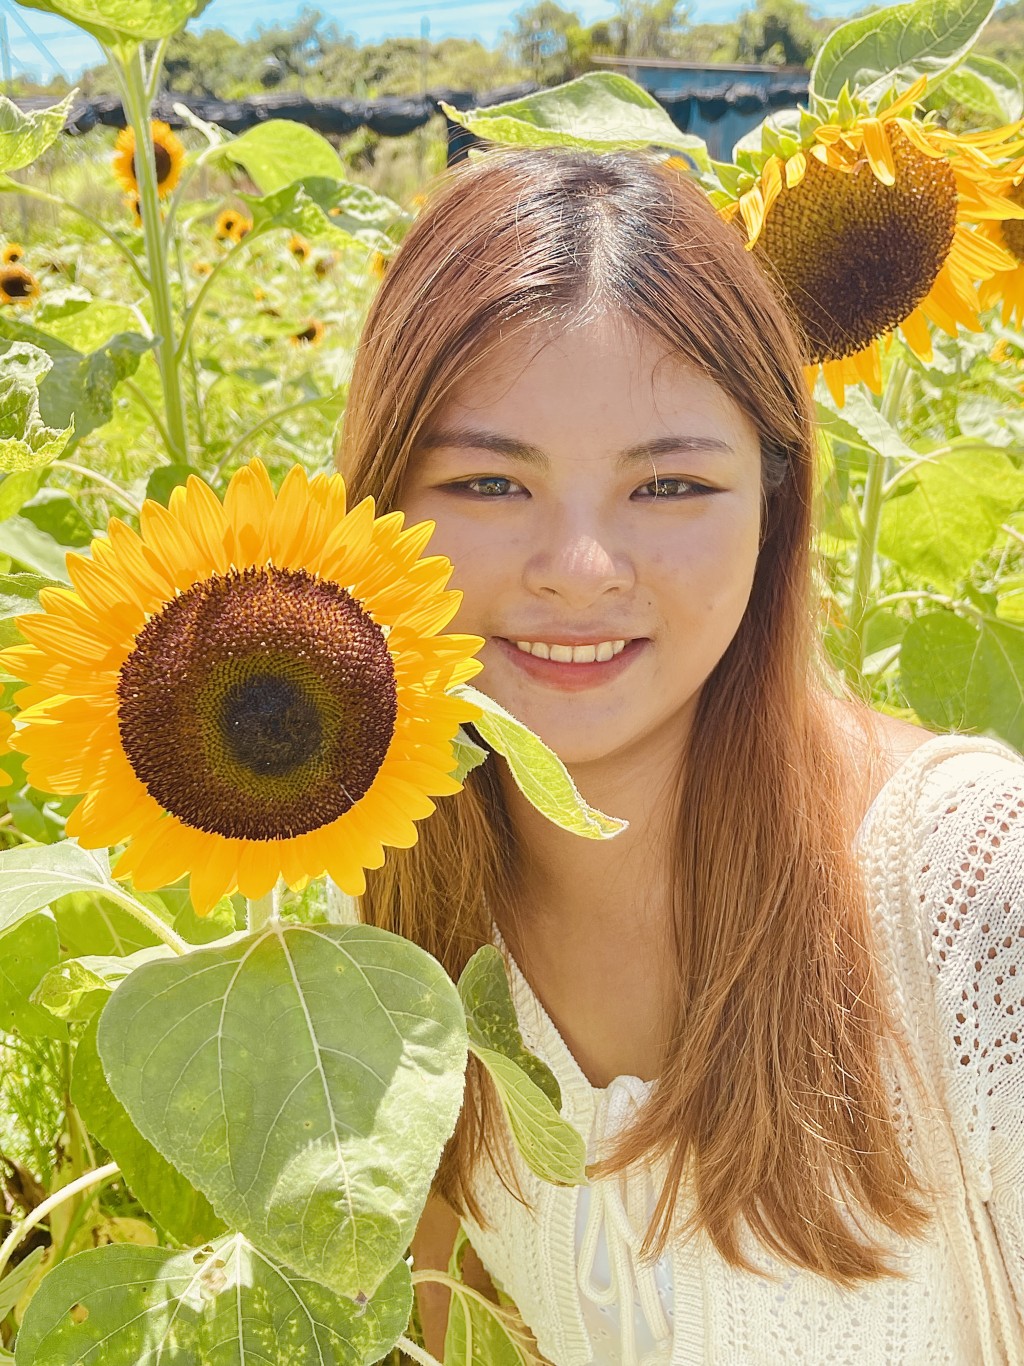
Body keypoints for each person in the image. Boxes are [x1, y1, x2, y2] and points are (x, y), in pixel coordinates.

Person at [337, 148, 1024, 1364]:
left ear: (775, 504)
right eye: (491, 480)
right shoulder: (387, 932)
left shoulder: (971, 898)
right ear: (378, 501)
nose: (581, 568)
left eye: (667, 483)